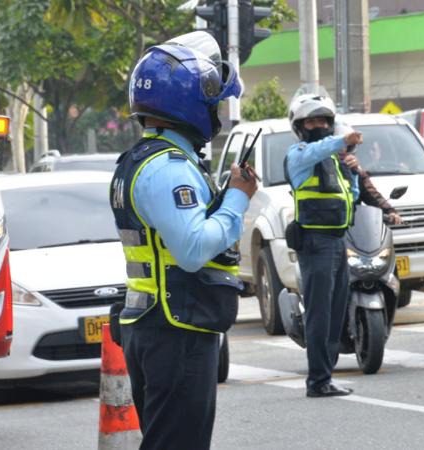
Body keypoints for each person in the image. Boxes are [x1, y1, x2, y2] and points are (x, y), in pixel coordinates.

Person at [109, 31, 257, 449]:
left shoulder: (140, 161)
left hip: (158, 324)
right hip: (177, 328)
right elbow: (192, 250)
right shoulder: (168, 168)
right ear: (189, 105)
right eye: (214, 104)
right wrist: (237, 200)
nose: (218, 115)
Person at [284, 93, 362, 397]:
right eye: (312, 120)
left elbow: (350, 197)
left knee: (335, 311)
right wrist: (342, 141)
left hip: (337, 240)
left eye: (324, 121)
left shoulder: (334, 159)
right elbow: (322, 147)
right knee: (319, 312)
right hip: (315, 242)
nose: (319, 125)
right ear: (300, 126)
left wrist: (352, 171)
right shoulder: (299, 155)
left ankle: (325, 375)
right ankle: (317, 380)